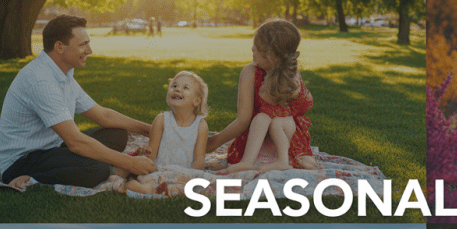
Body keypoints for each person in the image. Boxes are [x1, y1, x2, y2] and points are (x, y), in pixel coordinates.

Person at [0, 14, 156, 190]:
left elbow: (103, 115)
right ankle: (33, 178)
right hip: (22, 162)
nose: (90, 50)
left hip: (52, 148)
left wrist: (151, 130)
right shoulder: (41, 81)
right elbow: (74, 141)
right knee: (97, 169)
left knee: (117, 134)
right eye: (83, 44)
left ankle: (86, 165)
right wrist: (130, 163)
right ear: (59, 47)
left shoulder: (63, 74)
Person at [208, 19, 318, 176]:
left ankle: (285, 159)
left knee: (279, 122)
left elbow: (304, 105)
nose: (252, 48)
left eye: (257, 48)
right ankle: (248, 162)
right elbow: (243, 120)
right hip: (257, 137)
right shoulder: (251, 72)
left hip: (284, 137)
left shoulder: (290, 74)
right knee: (262, 118)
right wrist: (214, 143)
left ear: (272, 57)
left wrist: (294, 89)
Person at [125, 71, 210, 195]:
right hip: (160, 171)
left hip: (184, 174)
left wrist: (192, 176)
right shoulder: (161, 120)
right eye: (174, 86)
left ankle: (157, 190)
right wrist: (145, 154)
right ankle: (142, 186)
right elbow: (151, 153)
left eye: (185, 88)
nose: (177, 89)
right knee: (147, 179)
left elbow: (199, 159)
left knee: (200, 183)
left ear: (197, 101)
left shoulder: (201, 125)